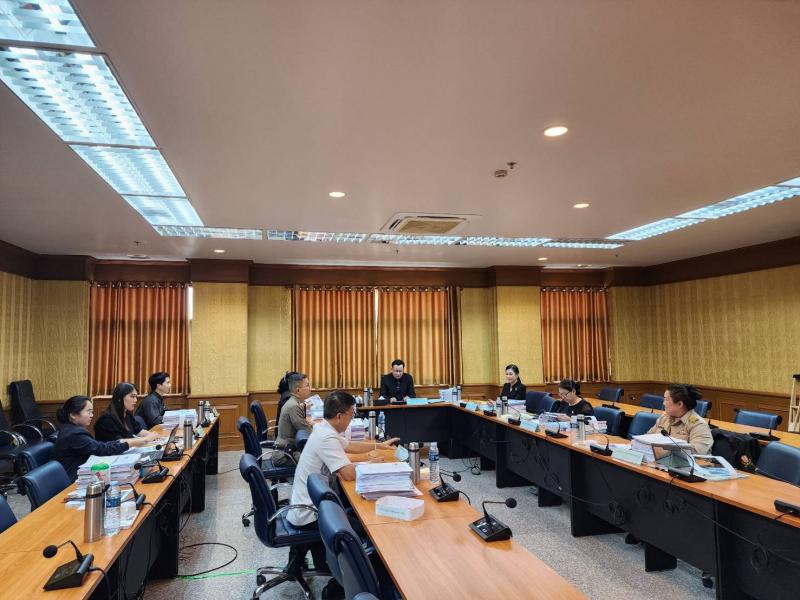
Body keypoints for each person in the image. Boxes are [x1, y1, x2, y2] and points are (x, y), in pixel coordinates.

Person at [287, 391, 399, 590]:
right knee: (364, 525)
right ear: (339, 416)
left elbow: (348, 446)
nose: (352, 418)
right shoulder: (326, 437)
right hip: (310, 512)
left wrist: (378, 445)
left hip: (310, 503)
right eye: (351, 414)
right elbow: (347, 474)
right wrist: (372, 463)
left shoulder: (324, 429)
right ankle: (362, 574)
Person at [53, 395, 151, 481]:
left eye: (92, 412)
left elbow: (99, 446)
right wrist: (129, 443)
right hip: (75, 480)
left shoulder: (70, 429)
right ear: (73, 415)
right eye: (89, 412)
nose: (92, 416)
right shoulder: (74, 434)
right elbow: (101, 449)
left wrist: (122, 442)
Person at [647, 384, 713, 454]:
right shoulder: (664, 418)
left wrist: (663, 450)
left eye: (666, 399)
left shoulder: (699, 425)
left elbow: (697, 452)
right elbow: (647, 438)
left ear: (679, 404)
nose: (663, 403)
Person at [94, 382, 160, 443]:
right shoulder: (106, 419)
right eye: (132, 396)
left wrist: (153, 435)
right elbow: (117, 442)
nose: (136, 400)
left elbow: (138, 430)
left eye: (136, 397)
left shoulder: (127, 414)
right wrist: (145, 439)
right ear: (119, 398)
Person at [273, 372, 313, 466]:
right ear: (298, 390)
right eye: (307, 385)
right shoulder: (293, 406)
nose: (310, 389)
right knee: (319, 461)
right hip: (285, 455)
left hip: (289, 450)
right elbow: (307, 432)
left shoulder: (294, 402)